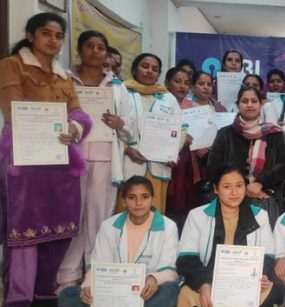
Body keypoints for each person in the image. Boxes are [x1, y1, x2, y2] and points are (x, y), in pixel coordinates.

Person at [0, 12, 93, 306]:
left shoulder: (63, 75)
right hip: (24, 164)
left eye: (58, 35)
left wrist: (73, 127)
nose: (53, 40)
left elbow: (79, 113)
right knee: (24, 237)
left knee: (59, 234)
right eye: (46, 33)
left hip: (60, 166)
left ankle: (43, 295)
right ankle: (19, 299)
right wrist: (51, 123)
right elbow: (12, 110)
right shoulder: (11, 66)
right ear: (31, 35)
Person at [56, 30, 131, 291]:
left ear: (106, 53)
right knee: (71, 216)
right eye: (90, 46)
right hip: (70, 157)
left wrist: (120, 124)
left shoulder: (118, 87)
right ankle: (66, 276)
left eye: (101, 47)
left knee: (99, 218)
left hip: (105, 158)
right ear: (79, 50)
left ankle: (95, 275)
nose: (95, 52)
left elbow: (131, 130)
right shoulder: (64, 79)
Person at [57, 176, 180, 307]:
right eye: (132, 197)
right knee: (68, 294)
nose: (139, 203)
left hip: (145, 294)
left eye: (145, 197)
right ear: (123, 201)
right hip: (112, 294)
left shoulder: (168, 226)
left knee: (170, 290)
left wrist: (155, 278)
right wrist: (88, 286)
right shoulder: (109, 226)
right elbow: (97, 266)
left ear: (152, 199)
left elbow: (170, 270)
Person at [176, 165, 282, 307]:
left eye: (239, 186)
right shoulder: (197, 216)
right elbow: (187, 258)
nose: (234, 192)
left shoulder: (260, 216)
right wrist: (203, 284)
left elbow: (268, 255)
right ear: (215, 189)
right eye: (227, 187)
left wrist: (261, 275)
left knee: (273, 289)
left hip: (244, 283)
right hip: (208, 281)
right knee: (186, 294)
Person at [208, 86, 285, 226]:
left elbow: (283, 166)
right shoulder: (225, 134)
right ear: (237, 105)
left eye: (254, 101)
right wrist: (241, 187)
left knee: (262, 237)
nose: (249, 105)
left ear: (260, 104)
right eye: (245, 101)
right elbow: (213, 167)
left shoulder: (274, 133)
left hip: (264, 192)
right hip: (230, 193)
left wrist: (260, 183)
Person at [120, 52, 182, 213]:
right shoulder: (122, 92)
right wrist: (126, 149)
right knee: (125, 212)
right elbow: (112, 128)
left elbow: (180, 129)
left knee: (154, 213)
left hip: (158, 165)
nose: (149, 71)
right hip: (129, 162)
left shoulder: (168, 98)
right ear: (134, 70)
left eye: (155, 69)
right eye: (145, 66)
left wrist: (173, 153)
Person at [164, 67, 206, 230]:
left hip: (190, 164)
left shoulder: (195, 107)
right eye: (177, 81)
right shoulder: (160, 103)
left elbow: (203, 136)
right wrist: (181, 136)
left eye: (186, 83)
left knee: (187, 208)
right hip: (166, 163)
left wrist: (202, 145)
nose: (182, 86)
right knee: (168, 204)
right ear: (167, 83)